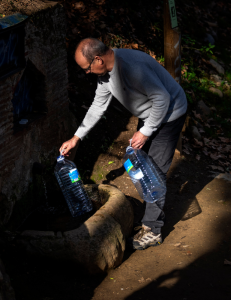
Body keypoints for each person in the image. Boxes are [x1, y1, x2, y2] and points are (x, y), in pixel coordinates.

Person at [59, 38, 187, 250]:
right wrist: (76, 138)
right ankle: (150, 212)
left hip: (171, 113)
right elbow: (98, 106)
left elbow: (162, 98)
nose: (87, 73)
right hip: (150, 113)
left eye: (87, 68)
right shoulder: (106, 74)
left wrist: (145, 132)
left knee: (153, 171)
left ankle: (153, 228)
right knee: (137, 164)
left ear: (98, 59)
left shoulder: (131, 67)